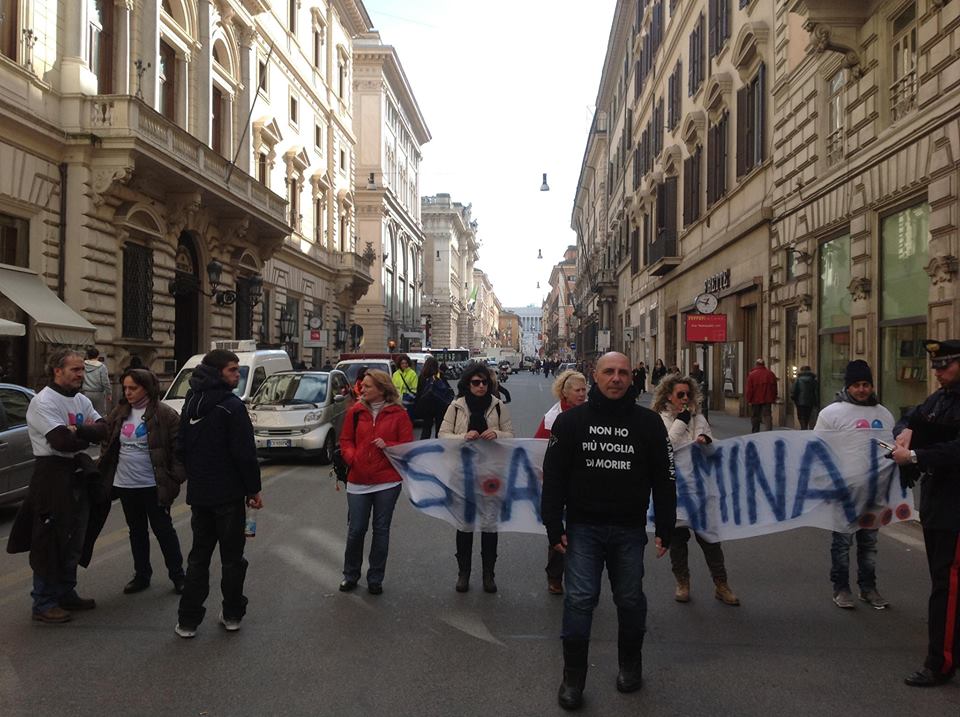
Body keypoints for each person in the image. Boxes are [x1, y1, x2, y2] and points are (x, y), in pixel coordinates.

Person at [541, 352, 676, 710]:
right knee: (579, 601)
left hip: (630, 529)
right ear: (595, 376)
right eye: (608, 372)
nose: (616, 378)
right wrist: (553, 526)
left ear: (632, 378)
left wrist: (666, 524)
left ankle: (630, 666)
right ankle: (573, 677)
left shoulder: (649, 423)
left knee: (630, 600)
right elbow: (553, 477)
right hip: (583, 528)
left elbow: (665, 477)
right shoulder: (570, 423)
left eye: (623, 372)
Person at [10, 349, 109, 623]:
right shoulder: (43, 402)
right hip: (51, 475)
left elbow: (104, 428)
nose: (81, 374)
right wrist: (83, 437)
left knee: (76, 535)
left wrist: (79, 433)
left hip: (77, 471)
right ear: (57, 371)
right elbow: (61, 442)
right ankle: (43, 602)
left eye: (81, 369)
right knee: (49, 538)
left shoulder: (80, 399)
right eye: (75, 370)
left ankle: (66, 592)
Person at [175, 349, 262, 638]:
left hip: (200, 495)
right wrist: (253, 490)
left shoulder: (191, 402)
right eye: (232, 371)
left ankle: (187, 621)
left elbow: (181, 447)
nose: (237, 376)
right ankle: (233, 614)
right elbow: (245, 455)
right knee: (232, 558)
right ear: (217, 373)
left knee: (198, 557)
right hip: (228, 495)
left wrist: (198, 474)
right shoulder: (232, 407)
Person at [892, 340, 960, 687]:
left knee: (946, 588)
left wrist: (916, 456)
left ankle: (940, 663)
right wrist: (903, 432)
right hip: (937, 502)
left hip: (955, 508)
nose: (936, 371)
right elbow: (912, 416)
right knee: (943, 582)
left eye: (944, 364)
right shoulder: (940, 397)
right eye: (933, 365)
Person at [814, 360, 894, 611]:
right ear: (848, 386)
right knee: (842, 544)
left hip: (875, 493)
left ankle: (868, 587)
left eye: (866, 384)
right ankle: (841, 588)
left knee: (869, 544)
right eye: (857, 385)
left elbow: (889, 448)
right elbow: (818, 451)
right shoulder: (831, 414)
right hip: (844, 494)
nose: (862, 390)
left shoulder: (884, 414)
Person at [654, 374, 739, 607]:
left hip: (701, 490)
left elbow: (714, 452)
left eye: (687, 394)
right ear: (668, 396)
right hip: (676, 491)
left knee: (710, 540)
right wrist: (681, 421)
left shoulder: (699, 419)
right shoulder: (659, 420)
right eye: (679, 394)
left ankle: (722, 585)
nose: (684, 399)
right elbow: (666, 447)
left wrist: (706, 440)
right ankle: (682, 583)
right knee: (678, 541)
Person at [99, 368, 186, 595]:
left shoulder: (165, 414)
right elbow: (107, 441)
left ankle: (178, 575)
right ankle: (141, 575)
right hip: (126, 484)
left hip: (153, 485)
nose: (127, 392)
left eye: (133, 388)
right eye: (125, 388)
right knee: (136, 531)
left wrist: (174, 478)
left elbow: (180, 450)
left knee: (163, 530)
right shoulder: (119, 412)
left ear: (146, 388)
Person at [439, 361, 514, 593]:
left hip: (491, 473)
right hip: (463, 473)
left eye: (484, 382)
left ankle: (488, 574)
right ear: (468, 384)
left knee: (490, 524)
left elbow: (511, 435)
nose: (481, 386)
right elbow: (443, 435)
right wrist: (463, 436)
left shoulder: (499, 406)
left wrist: (498, 433)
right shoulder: (456, 406)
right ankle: (464, 573)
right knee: (465, 525)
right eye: (476, 382)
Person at [338, 369, 413, 595]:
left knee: (381, 530)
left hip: (387, 482)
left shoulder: (399, 414)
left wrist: (388, 444)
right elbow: (345, 440)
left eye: (368, 386)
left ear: (381, 389)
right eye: (363, 385)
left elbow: (406, 445)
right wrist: (352, 458)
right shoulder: (355, 412)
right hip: (358, 480)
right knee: (356, 529)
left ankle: (375, 578)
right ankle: (350, 574)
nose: (362, 389)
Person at [535, 369, 588, 595]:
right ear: (566, 394)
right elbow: (538, 448)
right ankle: (555, 576)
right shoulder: (551, 418)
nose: (582, 394)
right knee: (559, 532)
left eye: (585, 390)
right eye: (578, 390)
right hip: (560, 481)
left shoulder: (591, 412)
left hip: (585, 481)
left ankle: (581, 575)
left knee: (584, 530)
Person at [414, 356, 453, 440]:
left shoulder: (422, 376)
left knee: (426, 428)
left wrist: (417, 405)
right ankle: (439, 446)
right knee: (439, 428)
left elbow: (419, 392)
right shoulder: (440, 375)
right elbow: (447, 389)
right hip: (440, 405)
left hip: (427, 405)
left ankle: (424, 446)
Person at [745, 358, 778, 433]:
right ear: (764, 364)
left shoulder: (752, 375)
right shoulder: (771, 374)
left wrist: (749, 399)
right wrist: (774, 398)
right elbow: (774, 388)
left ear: (756, 364)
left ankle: (755, 432)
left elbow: (749, 389)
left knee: (755, 416)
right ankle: (768, 431)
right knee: (767, 415)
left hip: (755, 399)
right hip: (767, 399)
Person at [81, 346, 111, 415]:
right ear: (98, 356)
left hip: (86, 392)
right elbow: (105, 381)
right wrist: (109, 393)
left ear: (88, 356)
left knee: (85, 413)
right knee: (98, 414)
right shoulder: (102, 367)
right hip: (98, 394)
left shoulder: (83, 365)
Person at [791, 365, 819, 430]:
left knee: (801, 416)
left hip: (800, 402)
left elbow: (793, 391)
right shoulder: (813, 380)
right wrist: (815, 401)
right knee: (808, 416)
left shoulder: (798, 380)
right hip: (810, 402)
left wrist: (794, 399)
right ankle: (807, 428)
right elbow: (815, 391)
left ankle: (803, 428)